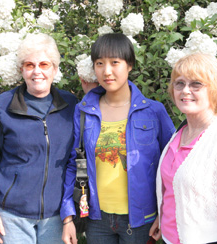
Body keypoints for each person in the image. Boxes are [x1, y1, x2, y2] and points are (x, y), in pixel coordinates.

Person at [61, 33, 175, 244]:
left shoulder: (153, 112)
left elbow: (172, 165)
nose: (107, 71)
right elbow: (74, 164)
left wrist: (164, 211)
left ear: (129, 64)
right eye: (100, 63)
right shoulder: (84, 112)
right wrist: (68, 216)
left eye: (115, 62)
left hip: (141, 220)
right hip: (96, 218)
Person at [0, 33, 78, 244]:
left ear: (55, 69)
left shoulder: (71, 105)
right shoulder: (3, 106)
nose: (37, 71)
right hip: (12, 215)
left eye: (44, 64)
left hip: (56, 216)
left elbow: (75, 161)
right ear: (22, 70)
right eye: (29, 65)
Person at [149, 53, 217, 244]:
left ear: (214, 89)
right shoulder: (179, 134)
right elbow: (176, 188)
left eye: (196, 84)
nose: (185, 90)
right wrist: (163, 216)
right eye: (179, 83)